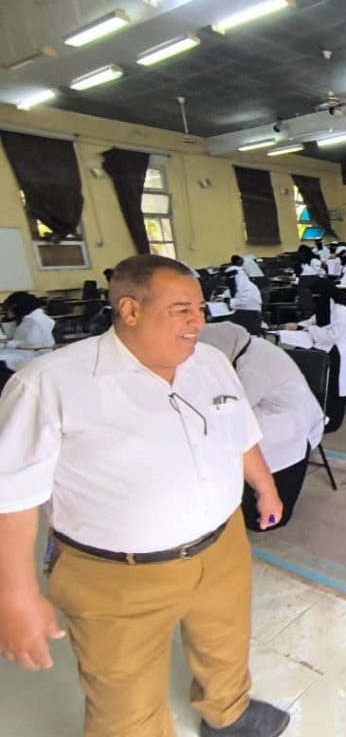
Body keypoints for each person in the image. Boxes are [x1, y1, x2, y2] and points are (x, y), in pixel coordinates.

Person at [0, 254, 289, 737]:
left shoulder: (211, 362)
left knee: (224, 642)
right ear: (130, 310)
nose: (198, 321)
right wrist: (15, 595)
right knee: (123, 699)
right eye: (181, 310)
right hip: (116, 575)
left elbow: (239, 432)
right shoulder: (50, 383)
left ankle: (228, 711)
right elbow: (12, 497)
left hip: (221, 547)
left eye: (200, 308)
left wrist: (265, 486)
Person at [200, 322, 324, 532]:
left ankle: (259, 496)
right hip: (277, 411)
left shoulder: (253, 367)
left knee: (231, 436)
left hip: (290, 422)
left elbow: (232, 410)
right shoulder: (250, 347)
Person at [289, 282, 346, 431]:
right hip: (326, 348)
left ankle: (331, 421)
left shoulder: (341, 311)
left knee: (333, 385)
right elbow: (312, 322)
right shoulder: (324, 307)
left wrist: (309, 329)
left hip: (342, 355)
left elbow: (334, 335)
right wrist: (297, 326)